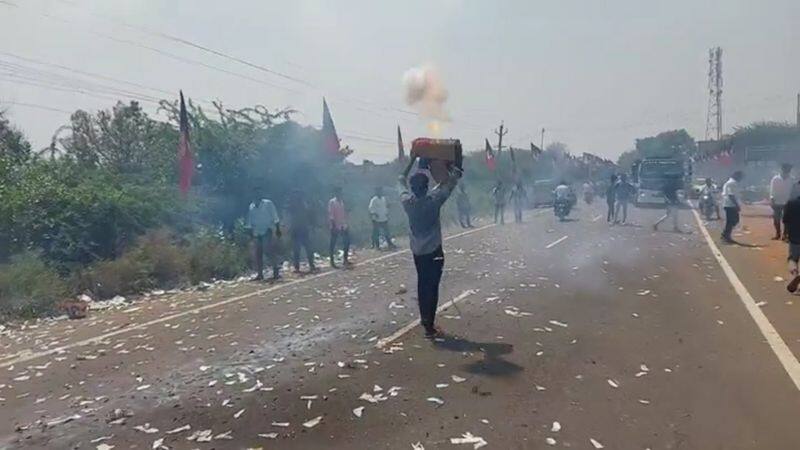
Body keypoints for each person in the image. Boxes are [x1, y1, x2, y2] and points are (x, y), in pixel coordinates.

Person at [400, 165, 461, 338]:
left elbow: (399, 182)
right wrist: (453, 169)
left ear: (412, 189)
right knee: (432, 287)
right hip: (434, 250)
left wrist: (412, 162)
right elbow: (449, 185)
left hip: (417, 252)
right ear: (426, 187)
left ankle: (424, 319)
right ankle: (429, 325)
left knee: (422, 284)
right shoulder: (434, 201)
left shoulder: (407, 203)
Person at [246, 192, 281, 281]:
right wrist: (250, 232)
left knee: (268, 252)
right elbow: (250, 221)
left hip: (267, 230)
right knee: (258, 254)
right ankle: (260, 274)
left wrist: (277, 228)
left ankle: (275, 270)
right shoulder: (251, 206)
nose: (256, 196)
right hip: (257, 233)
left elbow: (275, 216)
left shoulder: (268, 203)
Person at [287, 189, 316, 273]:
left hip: (303, 229)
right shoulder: (292, 206)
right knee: (298, 249)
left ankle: (310, 264)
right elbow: (288, 218)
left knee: (307, 248)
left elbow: (309, 216)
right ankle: (298, 267)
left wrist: (311, 226)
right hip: (296, 229)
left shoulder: (303, 205)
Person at [782, 182, 800, 292]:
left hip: (795, 236)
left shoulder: (791, 203)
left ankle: (794, 275)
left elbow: (785, 220)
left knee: (792, 258)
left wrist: (785, 233)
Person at [328, 187, 350, 268]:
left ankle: (345, 259)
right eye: (338, 192)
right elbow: (331, 215)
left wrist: (346, 224)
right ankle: (332, 261)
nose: (340, 194)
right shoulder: (332, 202)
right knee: (333, 244)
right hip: (335, 225)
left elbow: (343, 214)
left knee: (346, 242)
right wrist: (333, 225)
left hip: (342, 225)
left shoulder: (341, 202)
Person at [770, 163, 793, 240]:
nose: (787, 171)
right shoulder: (775, 179)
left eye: (788, 170)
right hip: (777, 201)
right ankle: (778, 233)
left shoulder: (791, 179)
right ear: (782, 169)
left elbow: (793, 191)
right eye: (785, 169)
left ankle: (785, 235)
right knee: (776, 219)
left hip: (788, 202)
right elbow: (772, 190)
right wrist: (772, 199)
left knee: (787, 220)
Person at [721, 171, 744, 243]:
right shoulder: (731, 183)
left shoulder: (732, 183)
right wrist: (736, 205)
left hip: (730, 205)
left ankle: (726, 235)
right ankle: (725, 236)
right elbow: (731, 195)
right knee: (732, 221)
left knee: (733, 221)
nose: (741, 179)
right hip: (730, 205)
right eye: (740, 177)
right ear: (736, 176)